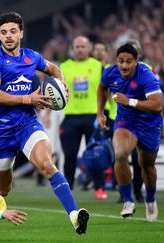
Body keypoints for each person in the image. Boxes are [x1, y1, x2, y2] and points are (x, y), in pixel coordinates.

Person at [0, 12, 89, 234]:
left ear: (21, 33)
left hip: (27, 124)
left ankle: (74, 215)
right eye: (3, 33)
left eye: (12, 31)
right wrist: (28, 98)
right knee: (4, 187)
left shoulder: (31, 56)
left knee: (47, 164)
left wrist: (63, 85)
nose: (8, 36)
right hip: (1, 129)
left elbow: (53, 69)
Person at [97, 43, 164, 221]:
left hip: (149, 124)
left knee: (147, 166)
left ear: (136, 62)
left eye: (128, 61)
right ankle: (128, 200)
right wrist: (100, 112)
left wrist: (130, 102)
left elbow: (158, 104)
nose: (124, 65)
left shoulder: (147, 75)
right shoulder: (110, 72)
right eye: (121, 61)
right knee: (120, 154)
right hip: (126, 122)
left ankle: (150, 200)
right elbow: (102, 87)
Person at [58, 36, 107, 200]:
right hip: (71, 116)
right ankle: (69, 188)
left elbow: (105, 90)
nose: (79, 49)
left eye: (82, 46)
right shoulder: (63, 67)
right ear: (72, 48)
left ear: (89, 49)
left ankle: (99, 188)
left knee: (95, 154)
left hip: (92, 116)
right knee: (70, 155)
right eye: (76, 46)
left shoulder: (98, 66)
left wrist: (102, 113)